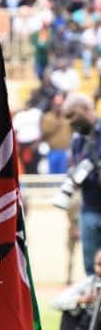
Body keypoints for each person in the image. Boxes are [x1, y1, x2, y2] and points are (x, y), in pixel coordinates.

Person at [37, 248, 101, 330]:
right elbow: (56, 302)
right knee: (72, 309)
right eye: (99, 264)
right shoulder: (89, 282)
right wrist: (80, 300)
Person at [63, 95, 101, 276]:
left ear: (86, 108)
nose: (70, 122)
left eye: (72, 115)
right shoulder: (77, 140)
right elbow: (74, 168)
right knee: (91, 268)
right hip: (89, 210)